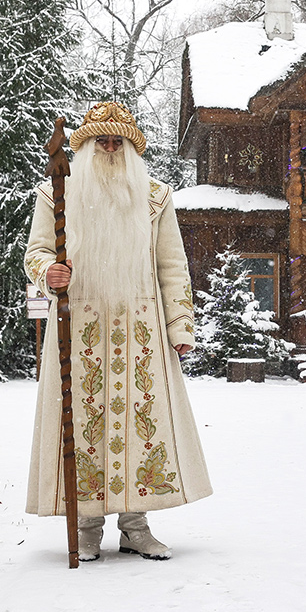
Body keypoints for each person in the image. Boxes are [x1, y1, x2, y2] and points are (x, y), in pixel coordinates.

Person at [24, 100, 211, 562]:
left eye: (118, 142)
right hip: (79, 327)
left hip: (141, 330)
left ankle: (135, 524)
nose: (110, 149)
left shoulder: (156, 197)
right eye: (101, 142)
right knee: (84, 422)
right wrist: (49, 271)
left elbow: (173, 264)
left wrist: (179, 323)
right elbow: (35, 252)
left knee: (140, 423)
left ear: (131, 149)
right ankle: (86, 524)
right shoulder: (56, 195)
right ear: (85, 148)